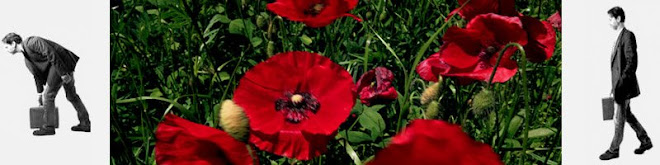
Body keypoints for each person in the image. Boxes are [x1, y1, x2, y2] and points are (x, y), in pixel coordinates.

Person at [2, 33, 91, 136]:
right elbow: (37, 76)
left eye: (6, 47)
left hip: (62, 64)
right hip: (60, 67)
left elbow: (51, 53)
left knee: (48, 95)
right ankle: (85, 123)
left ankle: (48, 127)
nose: (5, 50)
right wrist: (39, 93)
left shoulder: (32, 42)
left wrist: (63, 73)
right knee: (71, 95)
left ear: (13, 43)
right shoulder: (27, 59)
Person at [600, 6, 652, 160]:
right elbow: (618, 66)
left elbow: (632, 62)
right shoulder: (620, 36)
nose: (609, 22)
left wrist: (620, 84)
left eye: (611, 19)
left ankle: (613, 149)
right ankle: (645, 140)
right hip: (619, 85)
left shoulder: (628, 36)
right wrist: (613, 85)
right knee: (627, 115)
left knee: (618, 119)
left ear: (618, 18)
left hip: (624, 87)